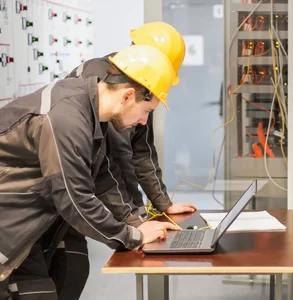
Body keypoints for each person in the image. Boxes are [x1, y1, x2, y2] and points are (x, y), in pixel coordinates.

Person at [0, 44, 181, 299]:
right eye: (146, 112)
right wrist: (132, 237)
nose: (144, 122)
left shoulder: (90, 110)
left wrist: (135, 223)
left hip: (20, 228)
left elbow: (101, 179)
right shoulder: (67, 117)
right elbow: (74, 200)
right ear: (127, 95)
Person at [44, 22, 197, 300]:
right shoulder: (110, 81)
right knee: (60, 274)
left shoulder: (140, 86)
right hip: (63, 190)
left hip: (79, 191)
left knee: (71, 270)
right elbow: (114, 162)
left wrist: (163, 203)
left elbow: (142, 150)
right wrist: (136, 221)